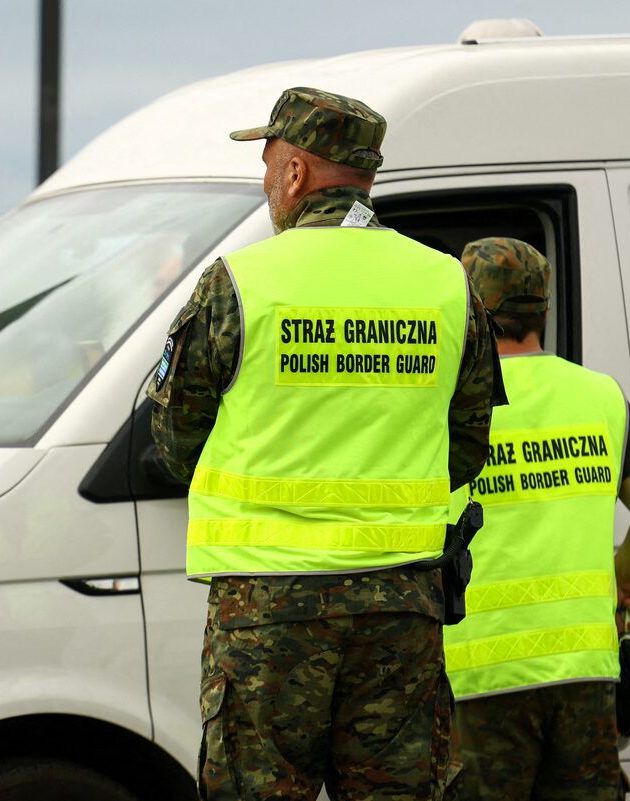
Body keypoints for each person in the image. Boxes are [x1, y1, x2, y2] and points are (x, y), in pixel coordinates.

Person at [148, 87, 502, 801]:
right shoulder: (445, 282)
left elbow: (174, 434)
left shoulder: (242, 282)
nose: (267, 181)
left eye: (269, 160)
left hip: (266, 609)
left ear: (296, 173)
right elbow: (467, 443)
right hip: (401, 603)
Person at [443, 238, 630, 801]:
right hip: (585, 675)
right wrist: (617, 576)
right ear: (543, 311)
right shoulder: (600, 397)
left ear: (469, 311)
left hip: (479, 677)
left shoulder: (449, 403)